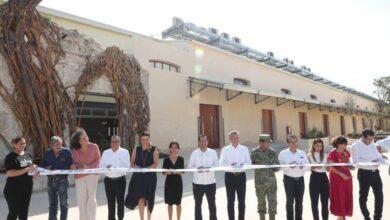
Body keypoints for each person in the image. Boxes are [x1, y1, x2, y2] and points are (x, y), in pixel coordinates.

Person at [351, 129, 384, 220]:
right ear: (363, 137)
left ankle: (377, 217)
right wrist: (371, 162)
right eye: (368, 139)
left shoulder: (372, 143)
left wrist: (382, 160)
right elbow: (356, 162)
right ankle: (366, 216)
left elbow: (377, 155)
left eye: (372, 139)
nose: (370, 141)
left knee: (379, 196)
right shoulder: (355, 146)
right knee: (363, 196)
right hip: (364, 174)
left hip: (376, 173)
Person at [125, 131, 159, 220]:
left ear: (149, 139)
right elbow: (131, 163)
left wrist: (146, 169)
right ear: (141, 140)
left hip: (150, 177)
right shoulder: (137, 149)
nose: (145, 141)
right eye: (143, 139)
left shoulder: (154, 149)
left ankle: (149, 218)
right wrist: (135, 166)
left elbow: (156, 164)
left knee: (149, 199)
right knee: (141, 199)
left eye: (146, 139)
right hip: (138, 178)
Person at [219, 130, 252, 220]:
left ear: (239, 138)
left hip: (241, 176)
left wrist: (243, 165)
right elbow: (221, 164)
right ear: (230, 139)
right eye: (233, 138)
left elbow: (249, 163)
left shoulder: (244, 149)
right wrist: (230, 165)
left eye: (237, 138)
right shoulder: (225, 150)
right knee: (230, 202)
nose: (235, 140)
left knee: (241, 201)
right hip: (229, 176)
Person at [70, 129, 101, 220]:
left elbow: (98, 161)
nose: (86, 139)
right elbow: (74, 163)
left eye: (86, 137)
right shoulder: (75, 150)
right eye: (83, 138)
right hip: (79, 176)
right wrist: (74, 166)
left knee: (91, 198)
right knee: (81, 200)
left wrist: (88, 167)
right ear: (78, 141)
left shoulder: (94, 147)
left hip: (92, 175)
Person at [3, 136, 37, 220]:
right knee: (14, 212)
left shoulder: (28, 155)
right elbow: (10, 173)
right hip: (13, 189)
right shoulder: (10, 157)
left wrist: (35, 172)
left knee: (24, 212)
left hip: (27, 188)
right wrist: (27, 169)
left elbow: (30, 171)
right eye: (20, 144)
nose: (23, 145)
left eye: (24, 143)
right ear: (14, 144)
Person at [278, 134, 310, 220]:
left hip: (300, 180)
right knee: (289, 202)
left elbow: (308, 167)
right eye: (291, 142)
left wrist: (303, 167)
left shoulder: (302, 153)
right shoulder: (282, 153)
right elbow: (279, 167)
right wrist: (289, 166)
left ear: (297, 142)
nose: (293, 144)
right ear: (288, 143)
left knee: (299, 202)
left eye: (295, 142)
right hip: (289, 180)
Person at [40, 136, 73, 220]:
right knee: (52, 203)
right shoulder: (47, 153)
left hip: (63, 181)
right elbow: (42, 166)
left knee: (63, 204)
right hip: (50, 181)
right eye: (57, 144)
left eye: (60, 144)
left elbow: (71, 166)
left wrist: (58, 170)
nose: (59, 146)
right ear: (51, 145)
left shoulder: (67, 152)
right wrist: (46, 168)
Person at [188, 134, 219, 220]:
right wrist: (197, 169)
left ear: (207, 142)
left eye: (205, 141)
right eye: (201, 141)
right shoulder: (194, 153)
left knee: (212, 205)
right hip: (198, 184)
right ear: (198, 142)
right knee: (198, 206)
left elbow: (217, 165)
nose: (203, 143)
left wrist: (211, 168)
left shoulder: (213, 152)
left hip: (210, 183)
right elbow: (189, 167)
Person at [100, 135, 130, 220]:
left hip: (120, 180)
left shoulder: (125, 152)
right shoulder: (106, 152)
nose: (115, 143)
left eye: (117, 141)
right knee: (110, 203)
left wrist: (116, 167)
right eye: (113, 141)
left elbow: (127, 166)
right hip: (108, 181)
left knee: (120, 202)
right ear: (110, 143)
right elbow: (101, 166)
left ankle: (121, 218)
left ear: (120, 142)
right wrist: (107, 167)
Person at [250, 134, 280, 220]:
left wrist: (274, 165)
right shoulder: (254, 153)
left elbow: (277, 167)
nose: (269, 144)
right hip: (260, 183)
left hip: (271, 183)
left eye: (269, 142)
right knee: (261, 202)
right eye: (267, 142)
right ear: (261, 143)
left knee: (273, 202)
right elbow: (250, 165)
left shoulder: (272, 152)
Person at [328, 136, 353, 220]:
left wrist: (351, 166)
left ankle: (342, 217)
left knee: (346, 195)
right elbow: (331, 167)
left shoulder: (346, 152)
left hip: (347, 176)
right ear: (336, 144)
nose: (343, 145)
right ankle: (341, 217)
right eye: (341, 144)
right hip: (337, 177)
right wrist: (341, 175)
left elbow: (348, 163)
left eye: (344, 144)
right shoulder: (332, 153)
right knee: (339, 196)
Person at [308, 139, 329, 220]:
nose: (319, 148)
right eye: (317, 146)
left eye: (320, 146)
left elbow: (327, 169)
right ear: (313, 146)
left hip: (324, 178)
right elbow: (308, 168)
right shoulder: (309, 155)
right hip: (314, 178)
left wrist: (328, 166)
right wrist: (315, 166)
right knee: (314, 202)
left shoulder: (326, 155)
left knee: (325, 203)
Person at [162, 141, 184, 220]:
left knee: (178, 203)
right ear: (170, 149)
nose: (174, 149)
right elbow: (163, 172)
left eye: (176, 147)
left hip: (178, 183)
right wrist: (168, 172)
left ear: (178, 149)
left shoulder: (181, 159)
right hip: (169, 184)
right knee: (170, 204)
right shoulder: (166, 160)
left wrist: (175, 171)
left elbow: (182, 172)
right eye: (172, 147)